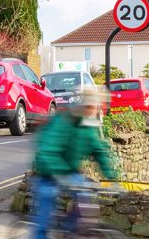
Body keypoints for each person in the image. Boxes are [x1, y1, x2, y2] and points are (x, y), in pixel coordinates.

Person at [30, 88, 117, 239]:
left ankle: (69, 231)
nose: (91, 110)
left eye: (94, 107)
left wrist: (113, 178)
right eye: (89, 106)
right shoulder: (63, 121)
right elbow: (48, 152)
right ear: (82, 105)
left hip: (70, 172)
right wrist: (61, 175)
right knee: (47, 203)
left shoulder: (88, 127)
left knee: (86, 201)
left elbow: (99, 152)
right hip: (48, 172)